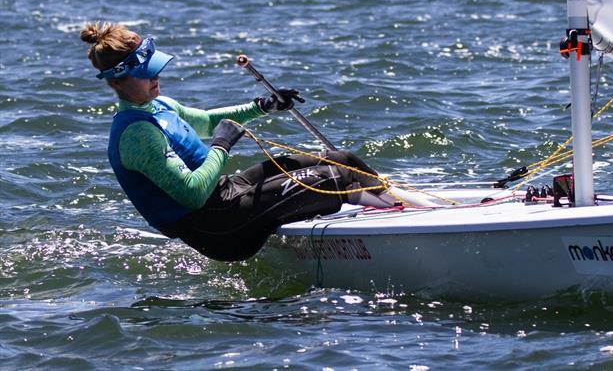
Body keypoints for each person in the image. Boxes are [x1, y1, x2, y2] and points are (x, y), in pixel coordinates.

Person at [80, 21, 401, 262]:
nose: (156, 77)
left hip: (224, 195)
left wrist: (262, 106)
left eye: (156, 70)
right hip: (217, 228)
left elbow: (206, 121)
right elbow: (191, 193)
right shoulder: (136, 134)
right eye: (147, 73)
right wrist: (221, 146)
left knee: (338, 159)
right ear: (119, 81)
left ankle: (400, 203)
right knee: (331, 179)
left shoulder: (159, 105)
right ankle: (396, 221)